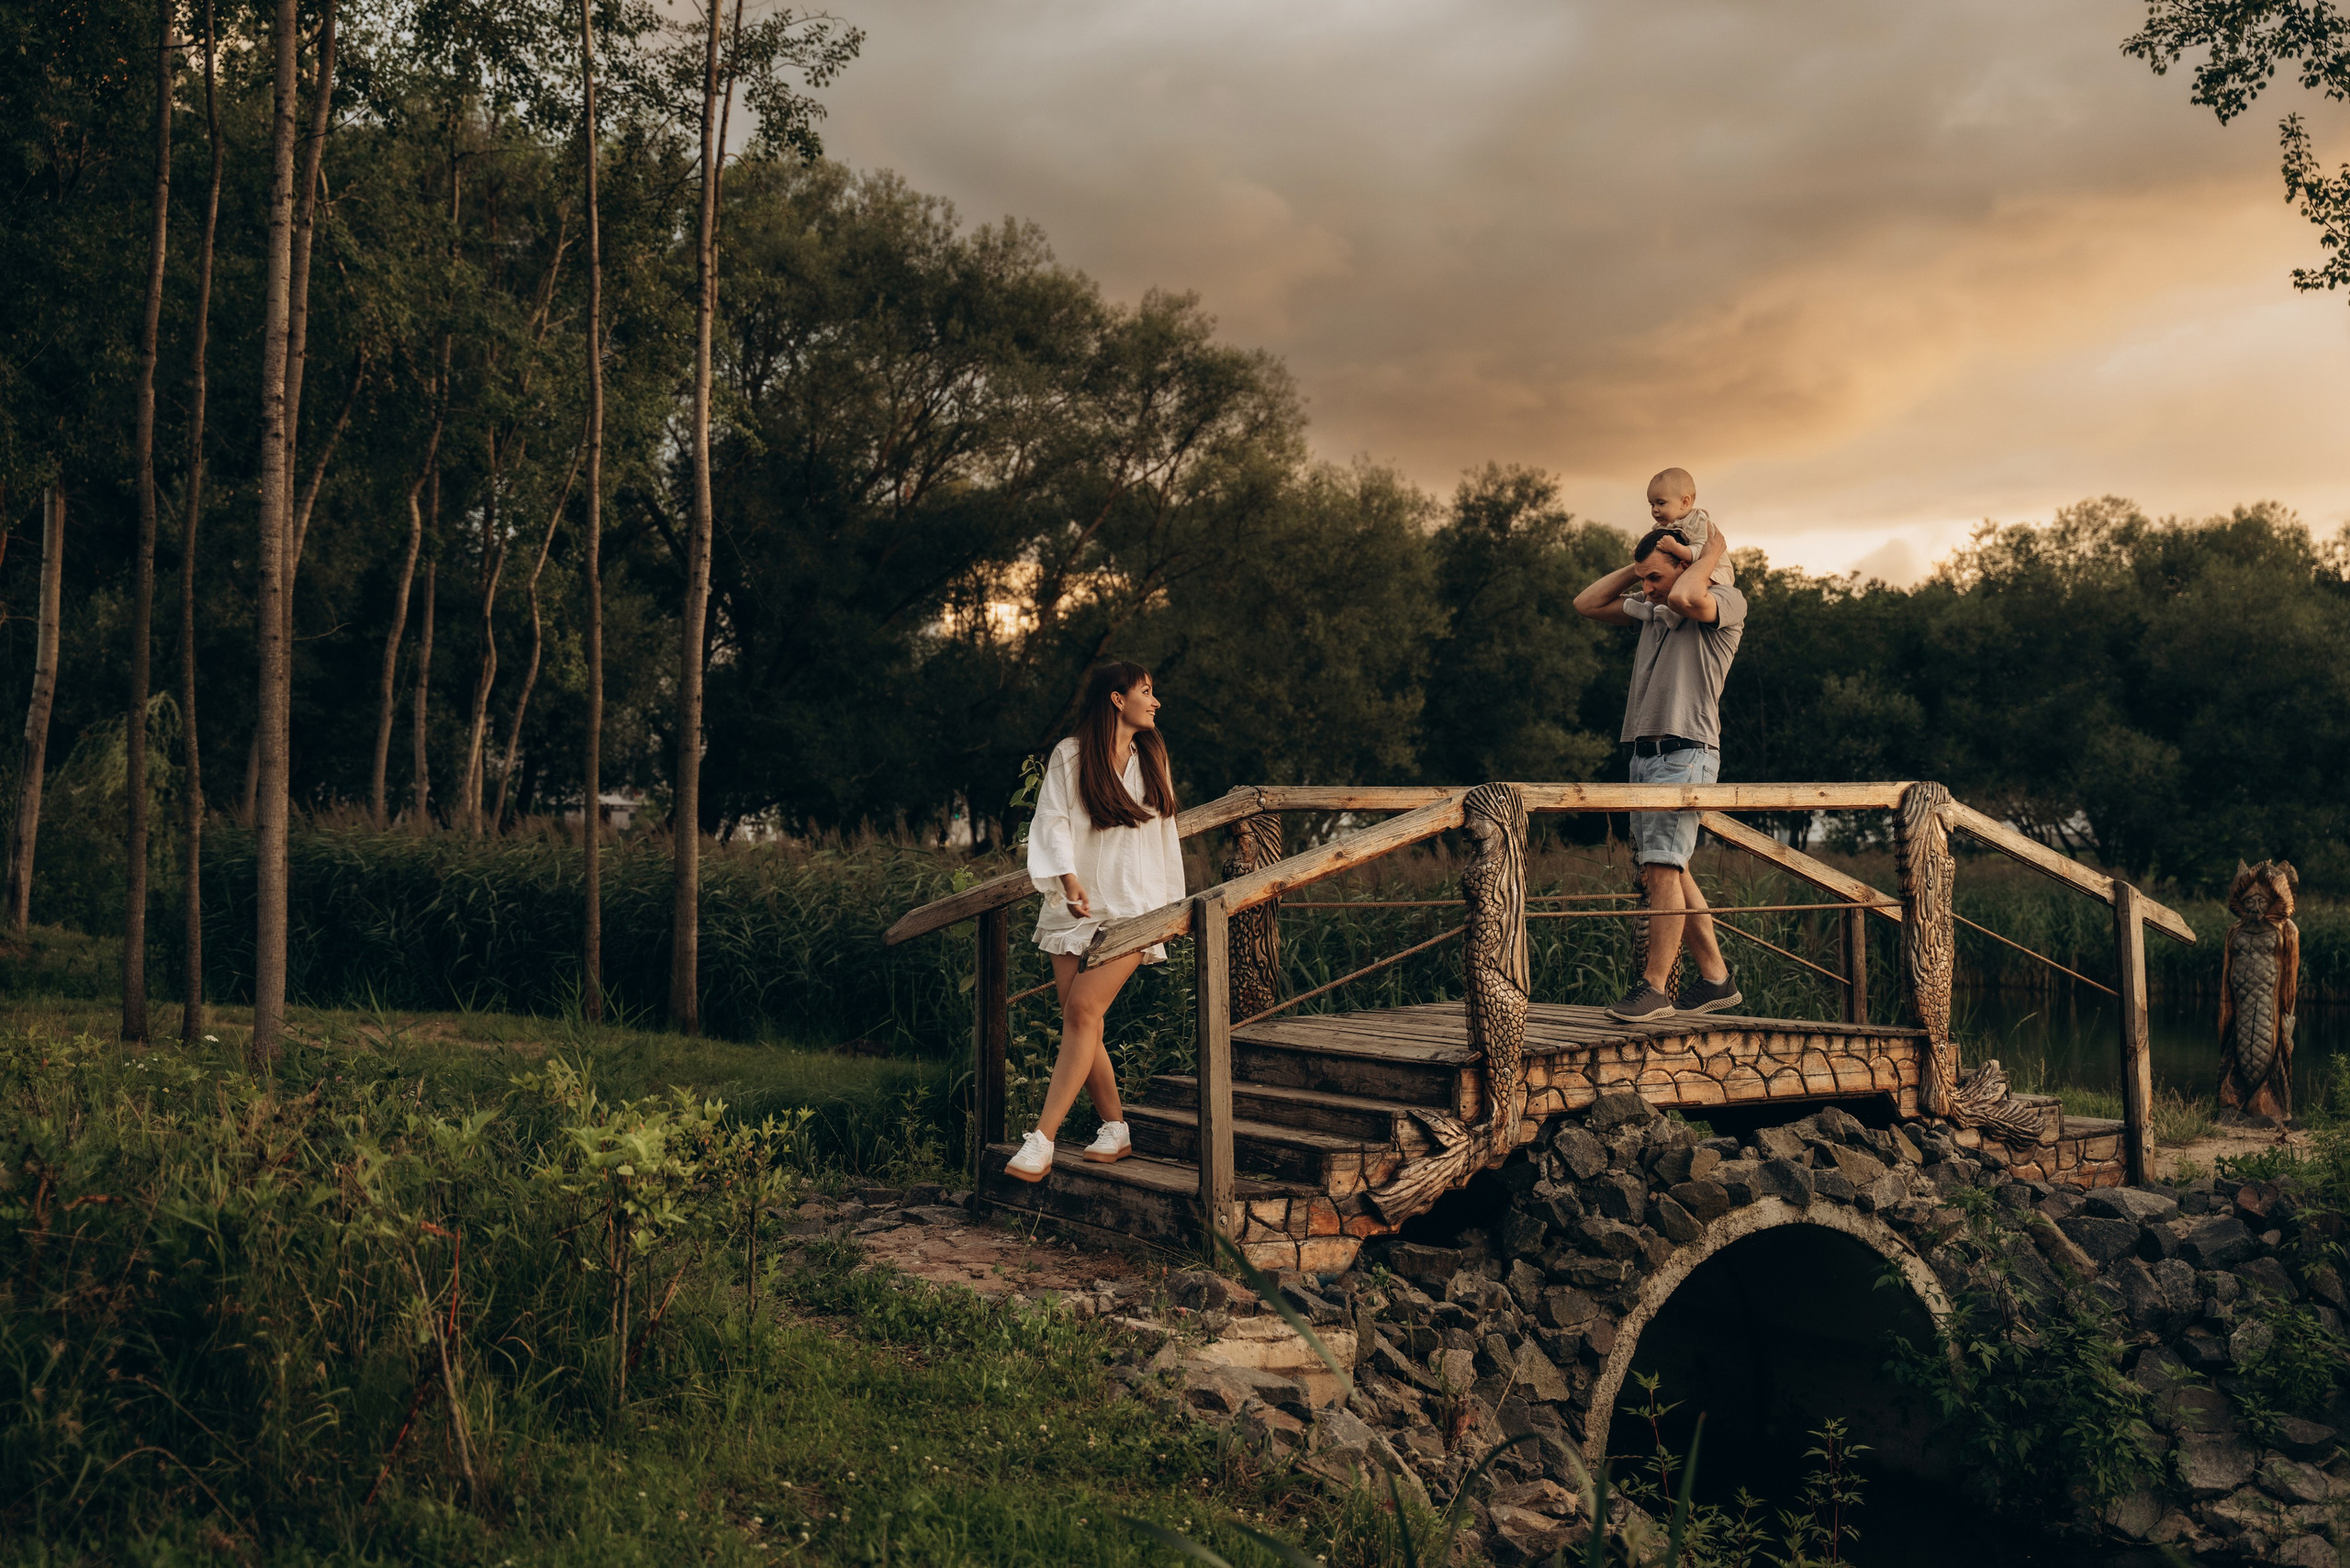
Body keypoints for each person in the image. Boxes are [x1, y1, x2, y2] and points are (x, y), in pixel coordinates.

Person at [1572, 468, 1749, 1021]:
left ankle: (1654, 988)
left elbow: (1692, 590)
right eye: (1643, 582)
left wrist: (1709, 549)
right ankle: (1717, 981)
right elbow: (1586, 602)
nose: (1644, 590)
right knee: (1665, 868)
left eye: (1653, 580)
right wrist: (1644, 561)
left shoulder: (1724, 603)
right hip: (1644, 755)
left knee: (1665, 867)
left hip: (1687, 751)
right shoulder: (1654, 612)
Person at [1003, 661, 1186, 1182]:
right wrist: (1066, 880)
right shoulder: (1071, 754)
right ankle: (1115, 1127)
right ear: (1116, 699)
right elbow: (1052, 820)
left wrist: (1172, 907)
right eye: (1147, 692)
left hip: (1134, 907)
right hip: (1074, 905)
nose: (1155, 702)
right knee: (1081, 1023)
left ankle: (1042, 1139)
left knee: (1083, 1009)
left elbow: (1165, 835)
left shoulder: (1152, 759)